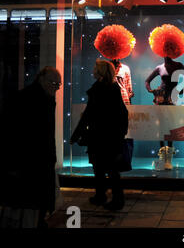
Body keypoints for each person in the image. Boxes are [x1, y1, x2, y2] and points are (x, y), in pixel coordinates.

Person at [0, 67, 61, 228]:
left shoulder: (45, 98)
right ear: (41, 79)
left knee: (33, 203)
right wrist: (12, 163)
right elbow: (12, 133)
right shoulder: (27, 99)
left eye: (58, 84)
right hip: (28, 162)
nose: (55, 87)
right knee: (28, 203)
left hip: (37, 161)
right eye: (53, 83)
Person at [70, 59, 128, 211]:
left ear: (100, 72)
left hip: (104, 136)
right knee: (104, 168)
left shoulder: (102, 90)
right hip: (105, 136)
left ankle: (112, 198)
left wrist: (77, 134)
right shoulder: (108, 89)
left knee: (106, 169)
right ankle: (105, 196)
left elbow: (89, 114)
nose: (93, 70)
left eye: (95, 68)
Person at [145, 56, 184, 170]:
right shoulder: (159, 67)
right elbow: (147, 80)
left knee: (171, 126)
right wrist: (151, 90)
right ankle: (162, 157)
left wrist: (181, 91)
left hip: (172, 98)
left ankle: (169, 158)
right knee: (160, 126)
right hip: (161, 98)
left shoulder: (178, 65)